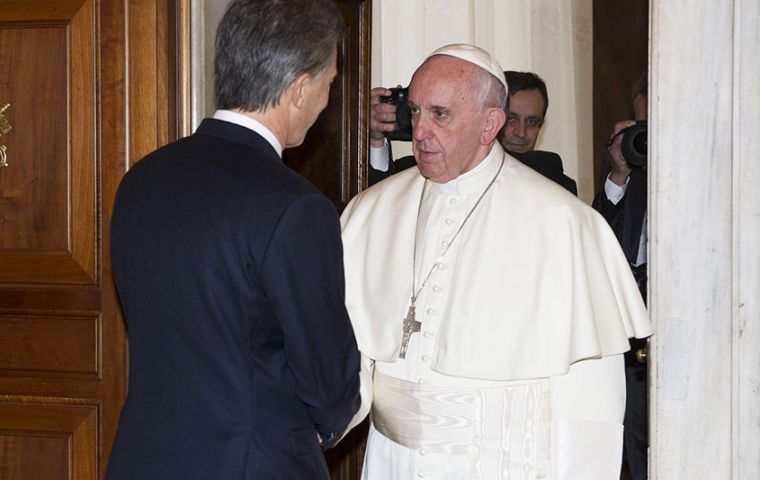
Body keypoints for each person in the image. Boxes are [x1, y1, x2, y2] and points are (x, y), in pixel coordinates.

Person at [340, 43, 652, 479]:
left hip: (501, 465)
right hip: (391, 458)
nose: (420, 131)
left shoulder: (562, 223)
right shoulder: (371, 211)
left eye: (440, 113)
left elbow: (590, 405)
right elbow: (346, 355)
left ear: (490, 123)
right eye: (415, 111)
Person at [106, 1, 360, 478]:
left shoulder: (141, 179)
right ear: (299, 89)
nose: (328, 98)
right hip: (254, 464)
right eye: (329, 82)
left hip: (143, 458)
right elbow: (329, 386)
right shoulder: (295, 206)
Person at [368, 70, 577, 194]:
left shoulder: (554, 181)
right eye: (511, 118)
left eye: (532, 122)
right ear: (489, 119)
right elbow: (379, 201)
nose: (521, 133)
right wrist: (376, 139)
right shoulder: (422, 167)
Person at [592, 71, 649, 480]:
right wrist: (618, 173)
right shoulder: (633, 164)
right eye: (642, 126)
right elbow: (601, 240)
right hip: (633, 325)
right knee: (633, 435)